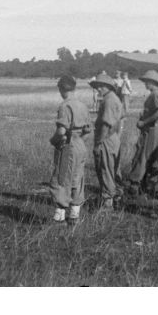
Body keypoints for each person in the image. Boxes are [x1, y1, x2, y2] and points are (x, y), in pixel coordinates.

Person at [48, 75, 91, 223]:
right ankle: (74, 215)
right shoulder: (82, 105)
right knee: (77, 178)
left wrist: (54, 141)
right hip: (80, 145)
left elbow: (61, 131)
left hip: (68, 146)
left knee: (61, 179)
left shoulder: (65, 106)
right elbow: (87, 130)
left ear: (61, 89)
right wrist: (79, 141)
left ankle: (59, 218)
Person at [126, 70, 158, 198]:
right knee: (147, 157)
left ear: (152, 82)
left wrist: (144, 122)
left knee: (143, 157)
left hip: (153, 129)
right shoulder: (155, 94)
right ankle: (145, 186)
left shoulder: (156, 95)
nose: (145, 84)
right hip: (152, 129)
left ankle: (136, 186)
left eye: (147, 82)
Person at [91, 72, 124, 209]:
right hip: (113, 138)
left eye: (100, 86)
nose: (98, 89)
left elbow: (106, 124)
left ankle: (107, 203)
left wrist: (98, 143)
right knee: (113, 169)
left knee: (106, 170)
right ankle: (117, 198)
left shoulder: (109, 100)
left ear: (106, 86)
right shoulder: (114, 98)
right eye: (97, 86)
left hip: (107, 139)